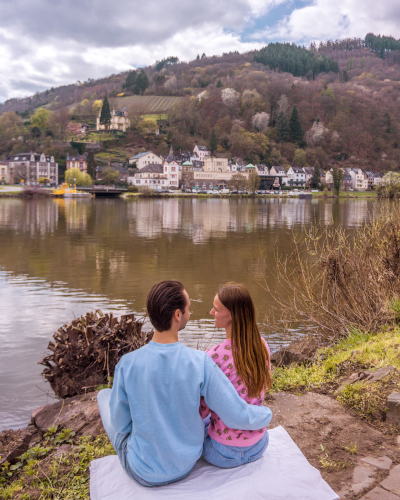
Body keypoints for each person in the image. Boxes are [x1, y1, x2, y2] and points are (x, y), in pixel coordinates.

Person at [97, 280, 272, 487]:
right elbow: (232, 412)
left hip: (144, 472)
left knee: (104, 396)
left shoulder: (127, 364)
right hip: (186, 465)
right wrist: (266, 414)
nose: (193, 312)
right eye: (188, 308)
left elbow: (120, 425)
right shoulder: (201, 361)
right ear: (178, 315)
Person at [200, 283, 272, 468]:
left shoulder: (213, 356)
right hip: (258, 446)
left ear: (231, 314)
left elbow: (203, 410)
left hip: (222, 453)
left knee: (201, 423)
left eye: (216, 309)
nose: (211, 312)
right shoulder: (261, 346)